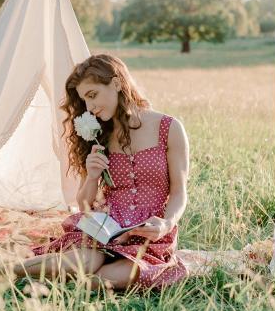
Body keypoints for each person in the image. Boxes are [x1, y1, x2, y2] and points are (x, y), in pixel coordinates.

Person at [12, 53, 190, 292]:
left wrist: (167, 223)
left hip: (150, 235)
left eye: (92, 95)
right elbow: (84, 203)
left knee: (105, 279)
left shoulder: (168, 128)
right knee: (87, 262)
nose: (89, 107)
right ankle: (10, 268)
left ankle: (51, 281)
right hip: (106, 230)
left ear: (116, 83)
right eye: (84, 100)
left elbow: (179, 192)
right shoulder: (98, 136)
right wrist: (93, 175)